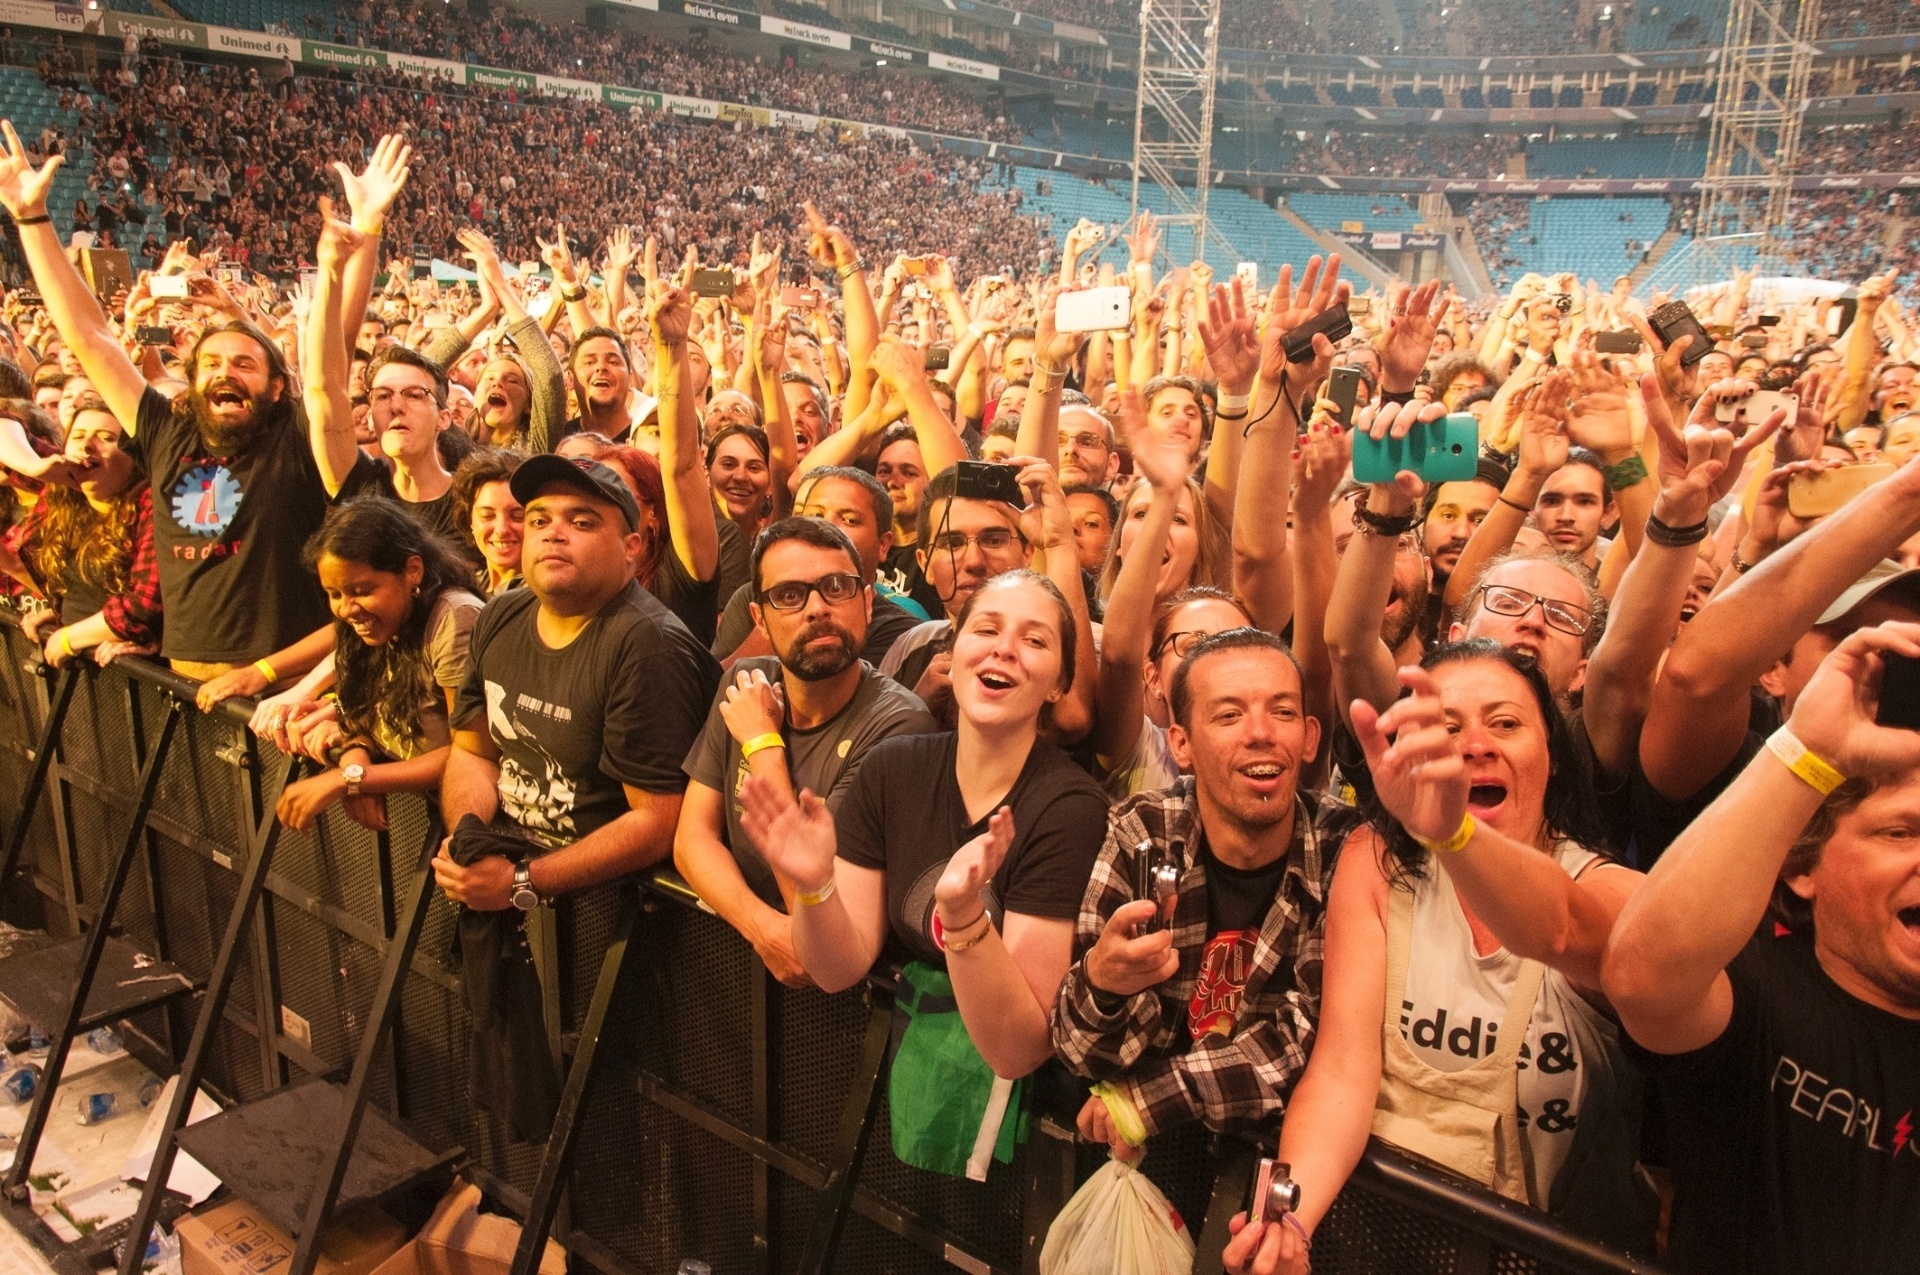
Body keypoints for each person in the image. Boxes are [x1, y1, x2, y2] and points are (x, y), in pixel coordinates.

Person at [1235, 642, 1654, 1274]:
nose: (1477, 744)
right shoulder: (1376, 860)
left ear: (1555, 757)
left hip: (1526, 1258)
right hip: (1373, 1236)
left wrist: (1456, 835)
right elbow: (1343, 1073)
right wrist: (1289, 1221)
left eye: (1505, 723)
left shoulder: (1613, 890)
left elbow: (1562, 932)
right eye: (1448, 728)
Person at [0, 125, 411, 679]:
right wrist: (31, 219)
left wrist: (364, 233)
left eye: (245, 364)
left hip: (275, 694)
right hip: (179, 680)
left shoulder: (292, 432)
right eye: (212, 363)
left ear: (273, 386)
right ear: (191, 382)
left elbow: (333, 353)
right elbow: (90, 337)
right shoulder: (168, 431)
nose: (226, 373)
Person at [738, 570, 1107, 1175]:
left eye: (1035, 641)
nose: (1004, 648)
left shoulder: (1070, 808)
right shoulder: (893, 769)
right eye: (985, 629)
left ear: (1057, 684)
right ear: (954, 650)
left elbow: (1020, 1045)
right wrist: (814, 887)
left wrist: (962, 920)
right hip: (899, 1083)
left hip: (1023, 1134)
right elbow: (838, 967)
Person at [1602, 622, 1920, 1275]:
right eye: (1901, 832)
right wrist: (1808, 748)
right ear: (1803, 867)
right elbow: (1641, 973)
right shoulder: (1762, 993)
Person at [1057, 629, 1361, 1150]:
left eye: (1283, 713)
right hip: (1151, 1159)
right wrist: (1103, 983)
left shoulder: (1346, 850)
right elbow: (1081, 1050)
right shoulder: (1143, 833)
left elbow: (1311, 1040)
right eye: (1228, 715)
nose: (1260, 733)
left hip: (1278, 1157)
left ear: (1311, 738)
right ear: (1182, 744)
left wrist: (1149, 1099)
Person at [674, 517, 937, 986]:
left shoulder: (900, 726)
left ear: (868, 602)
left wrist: (763, 746)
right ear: (759, 618)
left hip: (841, 1009)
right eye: (790, 595)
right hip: (729, 966)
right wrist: (762, 928)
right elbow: (691, 840)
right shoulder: (746, 682)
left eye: (836, 587)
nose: (818, 608)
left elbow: (813, 915)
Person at [273, 498, 484, 833]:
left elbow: (469, 754)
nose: (347, 608)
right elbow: (361, 711)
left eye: (362, 590)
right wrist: (355, 755)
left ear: (412, 570)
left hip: (460, 825)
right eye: (335, 594)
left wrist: (352, 781)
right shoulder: (368, 623)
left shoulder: (455, 618)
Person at [711, 467, 924, 668]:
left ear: (883, 544)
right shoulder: (752, 596)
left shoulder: (904, 634)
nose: (825, 527)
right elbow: (714, 691)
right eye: (814, 516)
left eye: (849, 519)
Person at [10, 401, 161, 666]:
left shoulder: (155, 505)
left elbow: (143, 606)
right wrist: (64, 613)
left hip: (136, 680)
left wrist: (71, 636)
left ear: (136, 457)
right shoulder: (61, 491)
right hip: (81, 672)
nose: (87, 445)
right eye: (78, 436)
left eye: (106, 438)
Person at [450, 448, 525, 598]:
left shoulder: (543, 597)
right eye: (487, 516)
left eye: (517, 516)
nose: (502, 529)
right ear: (469, 521)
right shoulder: (464, 587)